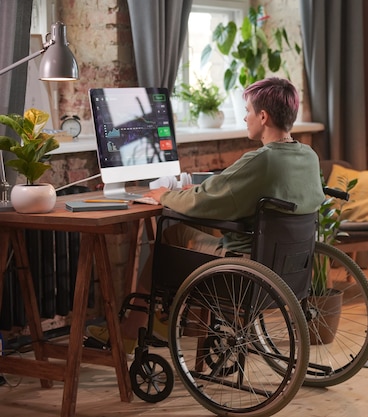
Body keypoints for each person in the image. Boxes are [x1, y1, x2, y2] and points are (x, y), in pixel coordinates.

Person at [85, 77, 325, 353]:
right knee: (193, 230)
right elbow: (225, 192)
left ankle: (136, 327)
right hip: (289, 267)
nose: (245, 118)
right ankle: (164, 318)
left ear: (263, 116)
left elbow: (206, 200)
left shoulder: (262, 159)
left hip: (246, 268)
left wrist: (164, 195)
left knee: (172, 231)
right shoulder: (308, 155)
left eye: (247, 111)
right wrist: (200, 191)